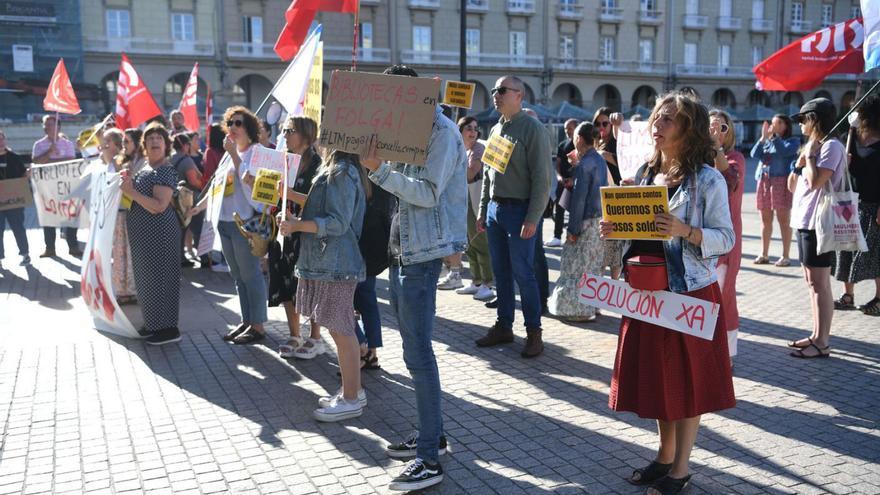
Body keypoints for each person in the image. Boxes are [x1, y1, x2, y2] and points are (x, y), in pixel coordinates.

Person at [602, 92, 735, 495]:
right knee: (661, 382)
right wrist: (617, 229)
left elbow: (725, 237)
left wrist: (687, 232)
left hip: (688, 292)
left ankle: (681, 469)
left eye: (668, 120)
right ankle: (664, 456)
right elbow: (640, 231)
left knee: (686, 383)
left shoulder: (708, 179)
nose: (657, 125)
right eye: (656, 118)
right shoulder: (645, 172)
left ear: (688, 130)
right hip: (647, 292)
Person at [360, 64, 467, 492]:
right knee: (411, 352)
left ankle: (429, 458)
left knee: (419, 354)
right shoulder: (408, 128)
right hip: (404, 250)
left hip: (423, 254)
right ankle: (432, 437)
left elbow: (426, 193)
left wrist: (380, 169)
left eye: (395, 96)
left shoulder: (441, 131)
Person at [280, 149, 366, 422]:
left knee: (341, 329)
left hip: (336, 263)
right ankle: (353, 391)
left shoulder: (341, 170)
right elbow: (327, 208)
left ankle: (351, 398)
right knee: (339, 327)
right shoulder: (339, 167)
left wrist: (297, 226)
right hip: (332, 262)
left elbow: (338, 222)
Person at [475, 75, 551, 358]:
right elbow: (488, 175)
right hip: (496, 210)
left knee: (523, 273)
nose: (496, 94)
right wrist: (484, 210)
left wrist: (533, 218)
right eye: (494, 90)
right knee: (501, 272)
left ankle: (534, 332)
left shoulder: (532, 129)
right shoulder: (496, 129)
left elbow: (542, 179)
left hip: (520, 211)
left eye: (502, 90)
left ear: (518, 95)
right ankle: (504, 325)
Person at [190, 106, 269, 344]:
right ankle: (247, 321)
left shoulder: (257, 152)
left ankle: (258, 325)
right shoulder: (228, 153)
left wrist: (235, 154)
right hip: (224, 221)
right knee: (237, 275)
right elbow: (217, 184)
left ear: (250, 129)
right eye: (230, 123)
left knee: (251, 275)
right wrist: (199, 206)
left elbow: (255, 192)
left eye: (239, 123)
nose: (233, 127)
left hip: (245, 223)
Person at [787, 98, 846, 358]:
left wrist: (810, 156)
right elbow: (793, 185)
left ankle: (823, 342)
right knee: (812, 283)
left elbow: (816, 182)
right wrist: (798, 164)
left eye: (803, 119)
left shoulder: (831, 146)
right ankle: (815, 334)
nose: (800, 125)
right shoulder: (814, 146)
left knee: (820, 284)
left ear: (815, 119)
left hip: (818, 223)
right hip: (803, 220)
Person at [267, 116, 328, 360]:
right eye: (283, 130)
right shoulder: (283, 161)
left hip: (306, 234)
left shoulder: (319, 165)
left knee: (308, 285)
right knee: (284, 282)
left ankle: (315, 337)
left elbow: (320, 202)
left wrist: (290, 193)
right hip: (284, 233)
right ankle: (294, 334)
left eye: (289, 130)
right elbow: (274, 195)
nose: (284, 135)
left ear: (304, 134)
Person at [121, 123, 183, 345]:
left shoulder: (165, 169)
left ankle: (168, 329)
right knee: (147, 280)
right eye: (150, 138)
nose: (155, 141)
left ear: (166, 145)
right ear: (144, 145)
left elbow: (159, 205)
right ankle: (153, 323)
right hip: (143, 237)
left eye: (159, 138)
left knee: (162, 280)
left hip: (161, 235)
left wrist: (131, 192)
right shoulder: (145, 167)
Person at [548, 122, 607, 322]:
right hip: (599, 220)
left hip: (585, 220)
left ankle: (577, 310)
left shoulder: (585, 164)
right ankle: (593, 307)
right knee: (593, 266)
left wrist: (573, 229)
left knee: (575, 267)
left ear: (579, 139)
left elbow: (579, 198)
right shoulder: (599, 160)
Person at [833, 95, 880, 315]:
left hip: (874, 205)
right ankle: (848, 294)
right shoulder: (851, 137)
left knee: (874, 253)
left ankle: (879, 298)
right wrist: (851, 131)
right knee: (846, 249)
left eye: (860, 114)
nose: (857, 117)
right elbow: (846, 159)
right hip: (851, 203)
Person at [709, 109, 746, 362]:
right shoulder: (697, 161)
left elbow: (730, 178)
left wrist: (715, 148)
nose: (716, 132)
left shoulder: (735, 158)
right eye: (711, 127)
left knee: (724, 294)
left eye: (722, 128)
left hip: (727, 242)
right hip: (702, 239)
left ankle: (728, 352)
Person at [354, 157, 394, 369]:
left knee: (354, 300)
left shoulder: (367, 172)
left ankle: (363, 349)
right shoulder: (378, 171)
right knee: (366, 300)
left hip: (364, 245)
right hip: (371, 245)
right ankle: (370, 351)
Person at [751, 114, 799, 266]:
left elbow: (784, 152)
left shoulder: (793, 141)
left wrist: (773, 138)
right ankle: (764, 254)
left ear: (786, 125)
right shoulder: (768, 141)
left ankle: (785, 256)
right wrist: (763, 138)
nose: (774, 126)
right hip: (764, 181)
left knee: (783, 220)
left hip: (781, 182)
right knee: (765, 221)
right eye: (772, 123)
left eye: (778, 123)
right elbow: (754, 154)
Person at [455, 116, 494, 301]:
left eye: (475, 128)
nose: (473, 132)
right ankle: (476, 281)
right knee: (468, 243)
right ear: (460, 130)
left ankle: (488, 283)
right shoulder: (459, 147)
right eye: (468, 128)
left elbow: (470, 174)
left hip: (475, 199)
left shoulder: (477, 148)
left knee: (479, 242)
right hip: (462, 199)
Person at [32, 114, 81, 258]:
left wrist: (51, 159)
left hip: (66, 187)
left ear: (58, 127)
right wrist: (49, 152)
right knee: (48, 218)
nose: (48, 127)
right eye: (46, 125)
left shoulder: (68, 144)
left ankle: (73, 247)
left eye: (52, 124)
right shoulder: (38, 145)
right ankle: (50, 248)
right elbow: (37, 162)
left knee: (70, 217)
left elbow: (71, 162)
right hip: (47, 188)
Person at [99, 128, 137, 305]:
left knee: (129, 252)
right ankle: (122, 289)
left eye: (106, 143)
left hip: (126, 211)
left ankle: (131, 288)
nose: (103, 146)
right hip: (114, 213)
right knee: (118, 252)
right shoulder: (108, 162)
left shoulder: (123, 162)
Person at [171, 133, 203, 266]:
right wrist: (203, 185)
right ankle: (203, 256)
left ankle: (178, 257)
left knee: (178, 229)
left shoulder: (170, 158)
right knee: (196, 226)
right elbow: (193, 181)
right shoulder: (187, 160)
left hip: (173, 197)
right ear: (185, 146)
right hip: (187, 198)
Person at [546, 118, 578, 248]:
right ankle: (557, 236)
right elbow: (558, 164)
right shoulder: (562, 145)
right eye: (565, 129)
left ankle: (572, 236)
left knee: (575, 211)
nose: (567, 131)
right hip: (563, 183)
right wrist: (559, 177)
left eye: (570, 128)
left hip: (576, 183)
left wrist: (573, 180)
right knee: (559, 209)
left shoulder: (581, 145)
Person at [0, 129, 30, 268]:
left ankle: (25, 254)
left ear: (5, 140)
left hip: (14, 201)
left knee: (18, 227)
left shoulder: (15, 157)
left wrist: (27, 175)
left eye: (1, 139)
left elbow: (23, 175)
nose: (0, 142)